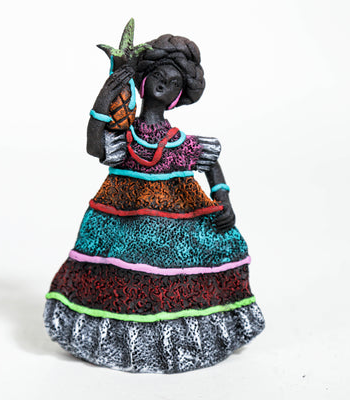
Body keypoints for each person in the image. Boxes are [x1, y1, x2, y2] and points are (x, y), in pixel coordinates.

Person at [44, 34, 265, 373]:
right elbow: (95, 146)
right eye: (160, 77)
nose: (165, 85)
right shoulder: (125, 138)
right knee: (119, 275)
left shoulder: (180, 143)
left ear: (179, 96)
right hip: (122, 219)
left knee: (197, 262)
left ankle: (186, 339)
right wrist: (106, 94)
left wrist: (222, 197)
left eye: (174, 83)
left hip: (178, 223)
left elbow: (210, 163)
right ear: (144, 81)